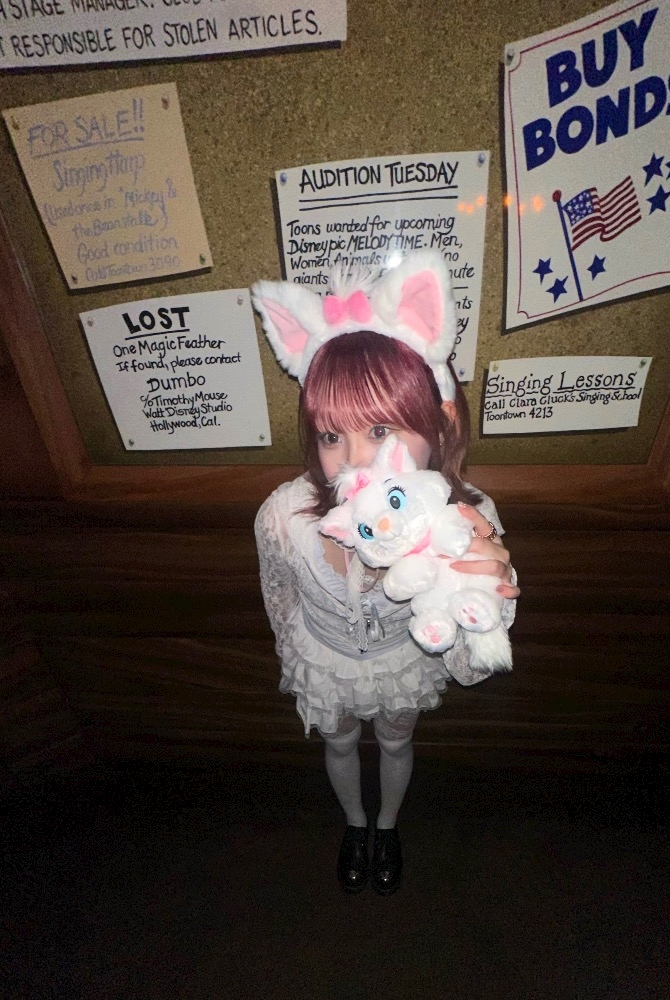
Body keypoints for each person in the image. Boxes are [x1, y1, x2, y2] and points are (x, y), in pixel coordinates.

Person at [252, 250, 519, 895]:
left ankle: (389, 826)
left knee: (396, 744)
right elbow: (279, 597)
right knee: (339, 745)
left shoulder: (466, 517)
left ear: (439, 424)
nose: (353, 460)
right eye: (331, 435)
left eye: (379, 428)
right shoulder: (284, 516)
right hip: (326, 661)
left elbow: (470, 669)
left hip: (403, 663)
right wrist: (296, 657)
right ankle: (355, 824)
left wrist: (486, 599)